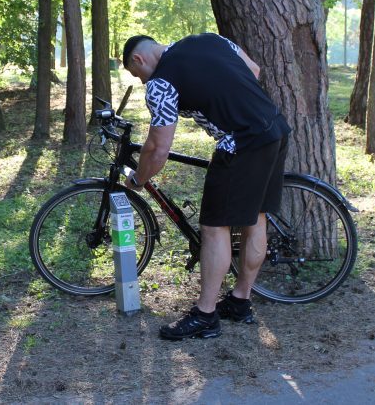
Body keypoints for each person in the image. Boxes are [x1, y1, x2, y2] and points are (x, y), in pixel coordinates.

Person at [121, 33, 291, 340]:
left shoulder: (160, 82)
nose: (144, 81)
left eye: (138, 76)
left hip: (240, 143)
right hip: (274, 128)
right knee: (257, 218)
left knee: (215, 228)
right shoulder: (209, 40)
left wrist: (139, 179)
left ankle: (205, 315)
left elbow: (158, 148)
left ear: (139, 60)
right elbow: (253, 69)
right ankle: (240, 302)